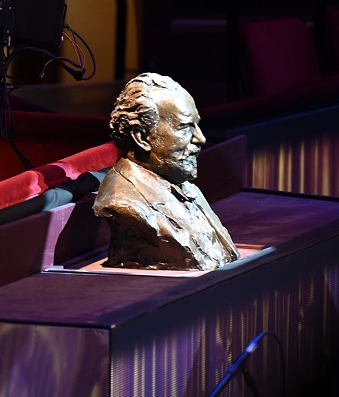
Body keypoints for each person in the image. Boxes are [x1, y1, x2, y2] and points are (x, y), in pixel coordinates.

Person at [92, 73, 239, 270]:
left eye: (197, 125)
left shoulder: (185, 186)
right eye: (185, 127)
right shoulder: (123, 202)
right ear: (141, 137)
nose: (200, 138)